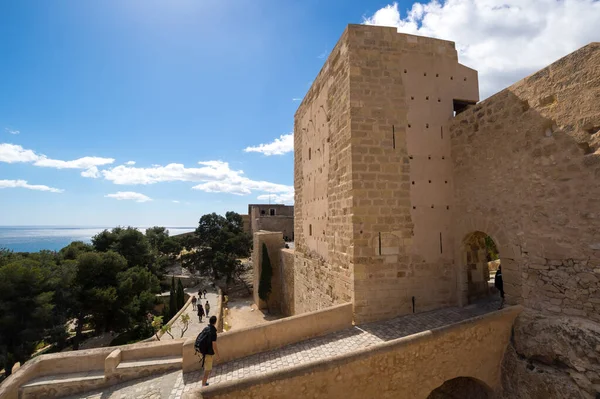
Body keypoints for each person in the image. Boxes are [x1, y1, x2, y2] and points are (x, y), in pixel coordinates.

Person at [201, 316, 219, 387]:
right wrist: (218, 355)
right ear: (215, 322)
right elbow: (214, 345)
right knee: (207, 370)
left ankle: (204, 383)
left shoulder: (206, 328)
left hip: (203, 351)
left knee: (206, 368)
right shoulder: (213, 332)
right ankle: (203, 385)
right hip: (208, 353)